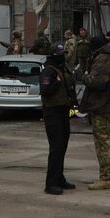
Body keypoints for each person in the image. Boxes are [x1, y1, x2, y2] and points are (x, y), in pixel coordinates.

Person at [79, 34, 110, 190]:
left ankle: (106, 178)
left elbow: (97, 82)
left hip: (102, 105)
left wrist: (84, 76)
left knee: (103, 142)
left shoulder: (103, 58)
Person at [39, 43, 77, 195]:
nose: (63, 56)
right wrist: (57, 83)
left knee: (62, 146)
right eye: (60, 53)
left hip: (64, 110)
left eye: (64, 53)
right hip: (52, 112)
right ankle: (51, 183)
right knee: (56, 148)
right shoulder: (49, 70)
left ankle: (59, 178)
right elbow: (46, 90)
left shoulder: (63, 68)